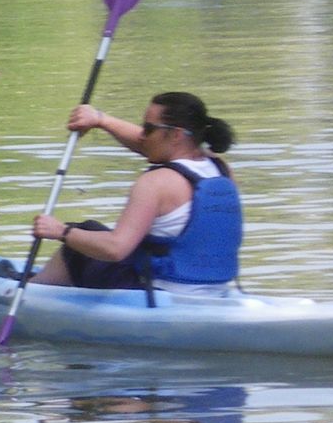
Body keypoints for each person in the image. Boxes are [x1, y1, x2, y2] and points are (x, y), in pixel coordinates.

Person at [27, 92, 242, 296]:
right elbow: (149, 146)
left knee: (83, 235)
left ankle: (29, 293)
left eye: (148, 128)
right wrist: (100, 120)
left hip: (157, 294)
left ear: (176, 135)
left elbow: (115, 249)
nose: (142, 135)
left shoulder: (154, 183)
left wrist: (61, 231)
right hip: (214, 291)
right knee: (93, 238)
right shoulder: (220, 169)